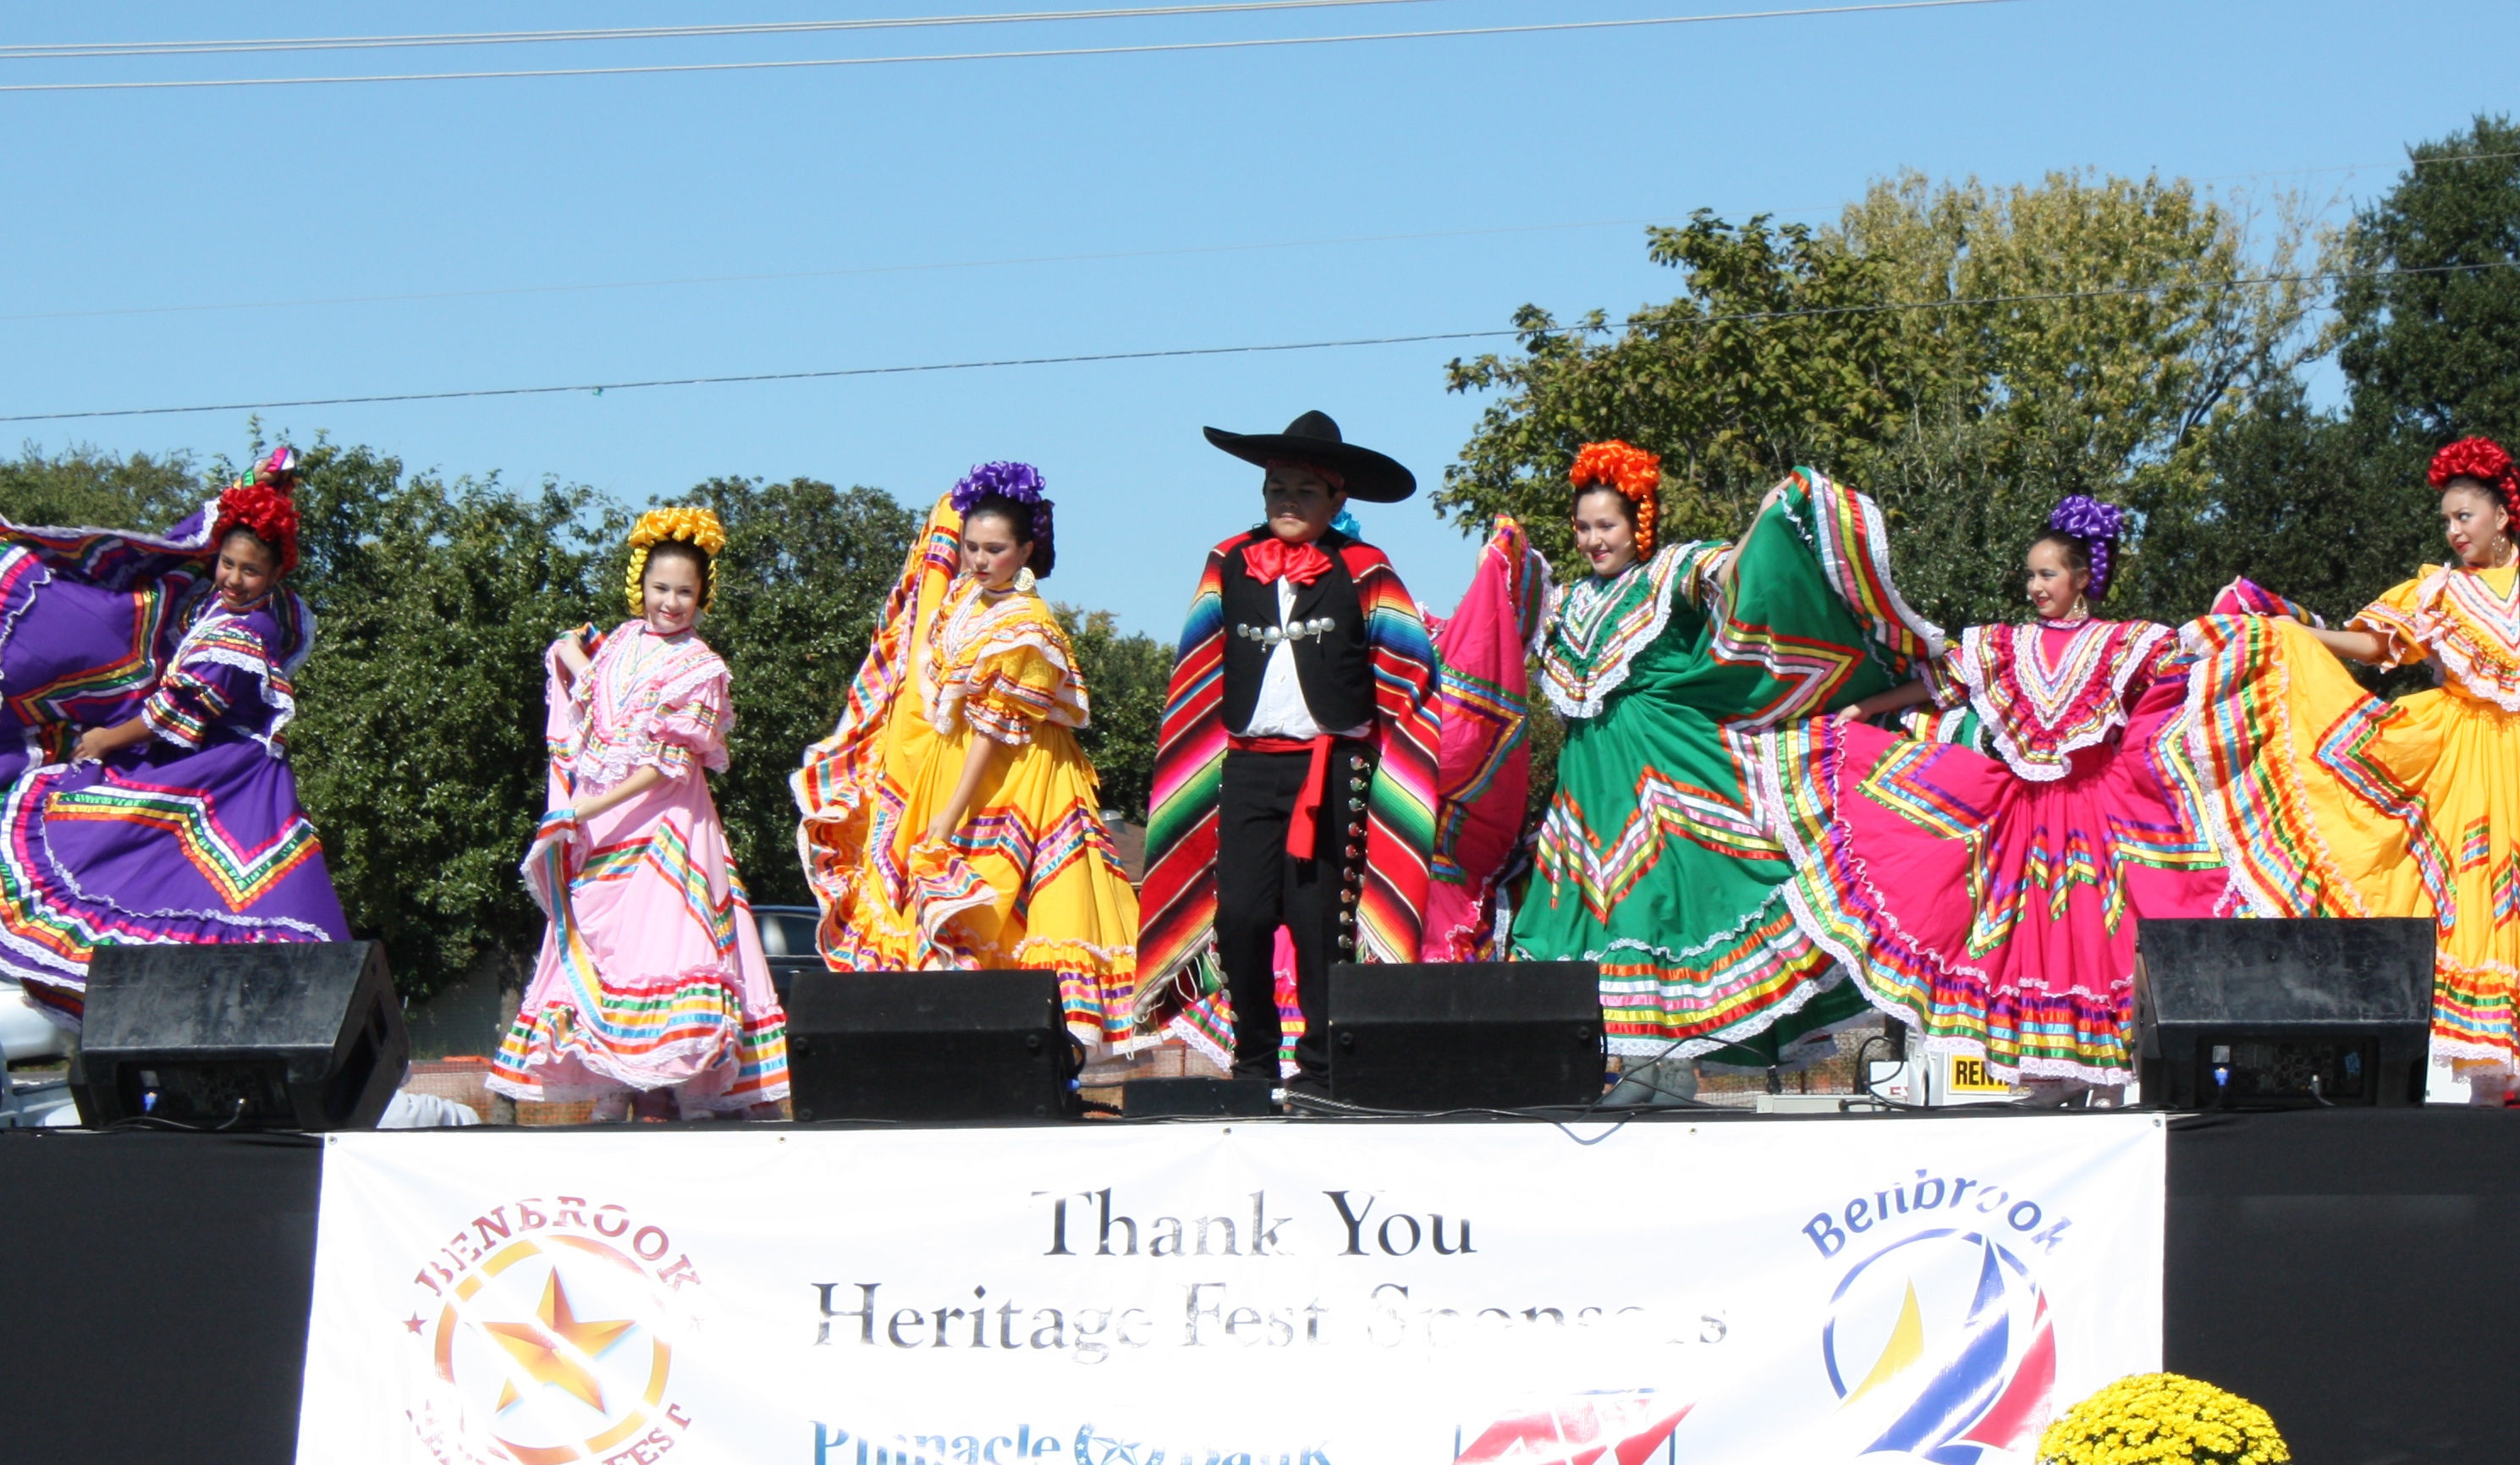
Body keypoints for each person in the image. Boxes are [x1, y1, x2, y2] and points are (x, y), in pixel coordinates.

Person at [1746, 496, 2236, 1094]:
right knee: (2022, 941)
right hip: (2021, 816)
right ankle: (2052, 1075)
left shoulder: (2126, 644)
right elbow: (1936, 685)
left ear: (2083, 578)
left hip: (2100, 815)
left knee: (2096, 942)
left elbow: (2187, 681)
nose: (2035, 585)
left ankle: (2105, 1077)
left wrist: (2252, 638)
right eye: (2030, 573)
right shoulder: (2004, 646)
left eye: (2047, 573)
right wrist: (1861, 709)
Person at [1507, 443, 1941, 1096]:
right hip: (1590, 783)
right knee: (1604, 921)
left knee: (1669, 911)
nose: (1594, 539)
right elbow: (1503, 625)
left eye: (1608, 525)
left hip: (1669, 773)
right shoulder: (1567, 602)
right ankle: (1642, 1068)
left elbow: (1742, 573)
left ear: (1638, 523)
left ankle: (1672, 1069)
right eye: (1584, 526)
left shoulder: (1670, 571)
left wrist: (1771, 514)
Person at [2181, 437, 2520, 1102]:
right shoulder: (2440, 590)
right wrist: (2293, 633)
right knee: (2473, 897)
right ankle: (2484, 1087)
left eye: (2464, 517)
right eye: (2447, 521)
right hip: (2461, 764)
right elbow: (2377, 644)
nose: (2453, 531)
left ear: (2503, 517)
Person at [1136, 412, 1440, 1092]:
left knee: (1318, 923)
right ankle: (1252, 1059)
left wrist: (1388, 756)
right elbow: (1195, 670)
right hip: (1247, 766)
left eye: (1305, 489)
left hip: (1331, 770)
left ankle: (1323, 1071)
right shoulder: (1227, 560)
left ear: (1337, 501)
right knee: (1240, 914)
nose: (1287, 501)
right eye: (1277, 487)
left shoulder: (1365, 568)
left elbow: (1411, 667)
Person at [795, 465, 1140, 1052]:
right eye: (972, 547)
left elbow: (996, 731)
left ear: (1026, 549)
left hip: (1019, 775)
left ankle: (1031, 1053)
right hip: (955, 764)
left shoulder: (1029, 625)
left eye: (995, 549)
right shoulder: (962, 599)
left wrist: (949, 813)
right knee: (947, 908)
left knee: (1003, 898)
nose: (980, 559)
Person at [0, 447, 346, 1027]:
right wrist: (251, 487)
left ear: (276, 574)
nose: (234, 579)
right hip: (205, 763)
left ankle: (262, 1022)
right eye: (228, 564)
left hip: (220, 769)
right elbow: (189, 544)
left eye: (250, 571)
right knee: (170, 881)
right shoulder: (230, 598)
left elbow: (173, 714)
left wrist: (107, 740)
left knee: (104, 849)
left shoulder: (244, 631)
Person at [489, 508, 789, 1121]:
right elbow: (580, 662)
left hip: (665, 826)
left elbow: (668, 765)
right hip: (603, 827)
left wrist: (583, 806)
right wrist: (571, 657)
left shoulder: (700, 666)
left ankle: (683, 1094)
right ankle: (612, 1088)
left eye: (684, 591)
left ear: (703, 596)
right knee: (602, 950)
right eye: (660, 588)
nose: (671, 602)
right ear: (640, 585)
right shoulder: (621, 640)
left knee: (664, 953)